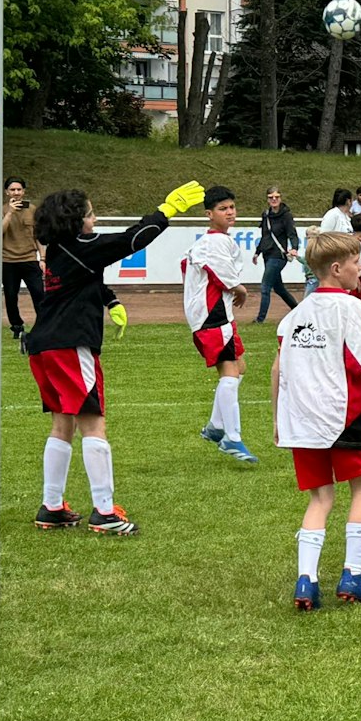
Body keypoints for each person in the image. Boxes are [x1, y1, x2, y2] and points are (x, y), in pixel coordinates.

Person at [26, 182, 201, 536]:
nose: (95, 219)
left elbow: (85, 278)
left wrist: (110, 300)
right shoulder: (82, 245)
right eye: (91, 214)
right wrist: (165, 212)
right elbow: (131, 240)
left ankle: (52, 506)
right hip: (70, 345)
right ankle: (105, 512)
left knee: (62, 424)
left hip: (44, 345)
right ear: (76, 221)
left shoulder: (60, 248)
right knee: (93, 424)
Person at [274, 232, 361, 610]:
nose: (359, 268)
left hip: (301, 419)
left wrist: (278, 419)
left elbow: (277, 369)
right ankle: (354, 575)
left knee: (321, 497)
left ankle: (306, 581)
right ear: (336, 268)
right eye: (354, 262)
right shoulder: (351, 307)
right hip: (342, 415)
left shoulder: (294, 316)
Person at [182, 185, 258, 465]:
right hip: (211, 315)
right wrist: (240, 289)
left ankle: (215, 426)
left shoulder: (214, 240)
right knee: (229, 372)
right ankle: (232, 437)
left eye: (232, 207)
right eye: (223, 209)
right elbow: (221, 273)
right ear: (209, 214)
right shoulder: (214, 241)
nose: (230, 212)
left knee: (240, 367)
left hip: (217, 313)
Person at [0, 176, 42, 352]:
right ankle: (16, 326)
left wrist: (43, 258)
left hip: (30, 259)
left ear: (24, 191)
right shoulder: (1, 210)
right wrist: (9, 212)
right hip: (8, 260)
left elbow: (39, 236)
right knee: (11, 296)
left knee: (39, 294)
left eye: (19, 189)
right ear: (6, 192)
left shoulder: (32, 210)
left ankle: (43, 325)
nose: (16, 193)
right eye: (12, 190)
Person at [254, 186, 299, 322]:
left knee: (265, 286)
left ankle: (260, 319)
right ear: (267, 199)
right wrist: (257, 252)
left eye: (276, 197)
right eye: (271, 197)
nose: (274, 199)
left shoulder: (286, 215)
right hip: (267, 254)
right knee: (279, 288)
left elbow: (292, 234)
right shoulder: (266, 215)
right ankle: (298, 310)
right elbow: (265, 236)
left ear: (280, 198)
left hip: (278, 256)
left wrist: (294, 248)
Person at [307, 188, 353, 293]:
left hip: (345, 257)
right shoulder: (332, 214)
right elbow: (324, 236)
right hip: (333, 257)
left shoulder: (346, 217)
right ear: (348, 201)